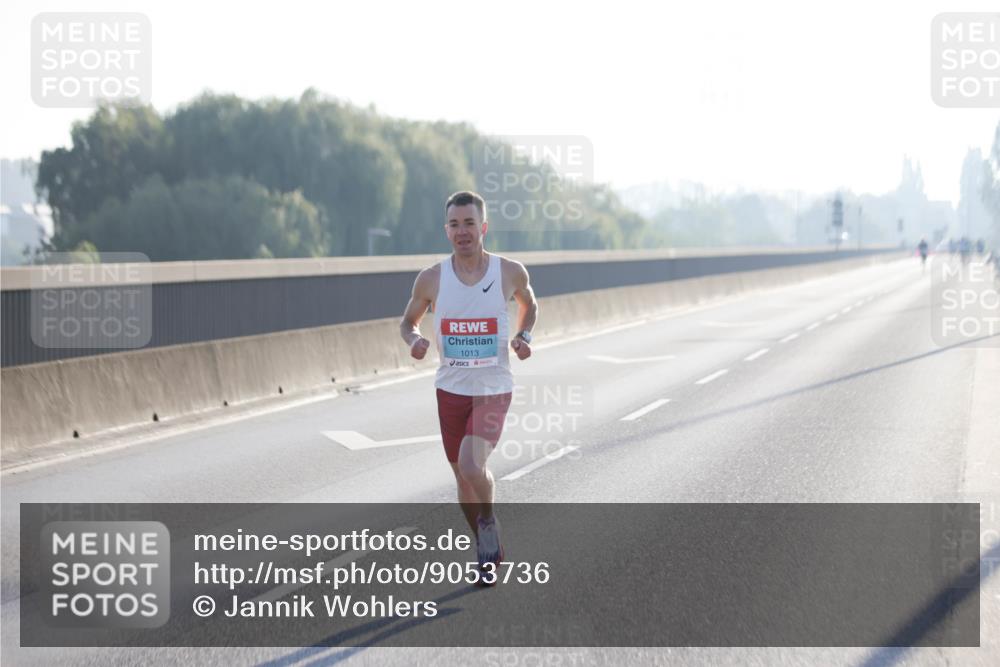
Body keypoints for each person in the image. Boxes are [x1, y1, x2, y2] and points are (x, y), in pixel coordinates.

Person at [399, 190, 538, 578]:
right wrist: (415, 341)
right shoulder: (431, 279)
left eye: (470, 223)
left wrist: (524, 336)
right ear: (447, 230)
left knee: (472, 464)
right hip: (451, 389)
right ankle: (483, 546)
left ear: (484, 227)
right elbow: (407, 321)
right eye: (455, 225)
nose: (463, 232)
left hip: (494, 387)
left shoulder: (509, 271)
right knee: (461, 477)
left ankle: (489, 521)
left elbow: (530, 304)